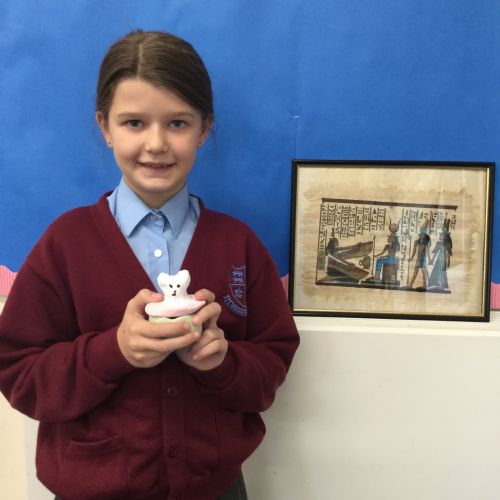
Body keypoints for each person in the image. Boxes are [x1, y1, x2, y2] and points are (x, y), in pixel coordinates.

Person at [0, 30, 299, 500]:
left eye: (177, 123)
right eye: (134, 123)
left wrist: (223, 361)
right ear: (105, 127)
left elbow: (272, 363)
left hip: (214, 489)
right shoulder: (66, 244)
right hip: (92, 489)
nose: (156, 143)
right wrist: (114, 349)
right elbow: (20, 373)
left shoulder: (237, 244)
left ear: (204, 128)